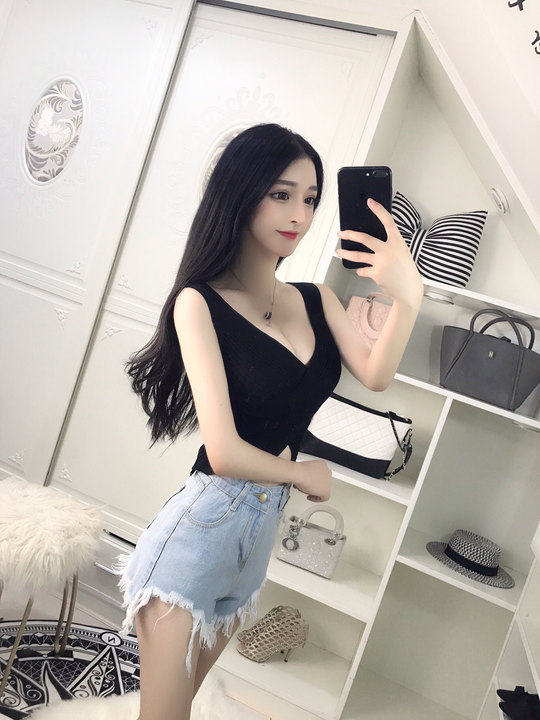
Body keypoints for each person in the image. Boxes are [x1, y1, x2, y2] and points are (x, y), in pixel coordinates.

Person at [115, 123, 423, 720]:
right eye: (281, 194)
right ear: (241, 192)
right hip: (199, 532)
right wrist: (303, 473)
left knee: (181, 707)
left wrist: (408, 296)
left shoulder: (316, 299)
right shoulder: (198, 303)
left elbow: (376, 374)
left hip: (254, 545)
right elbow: (224, 451)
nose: (300, 215)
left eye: (310, 198)